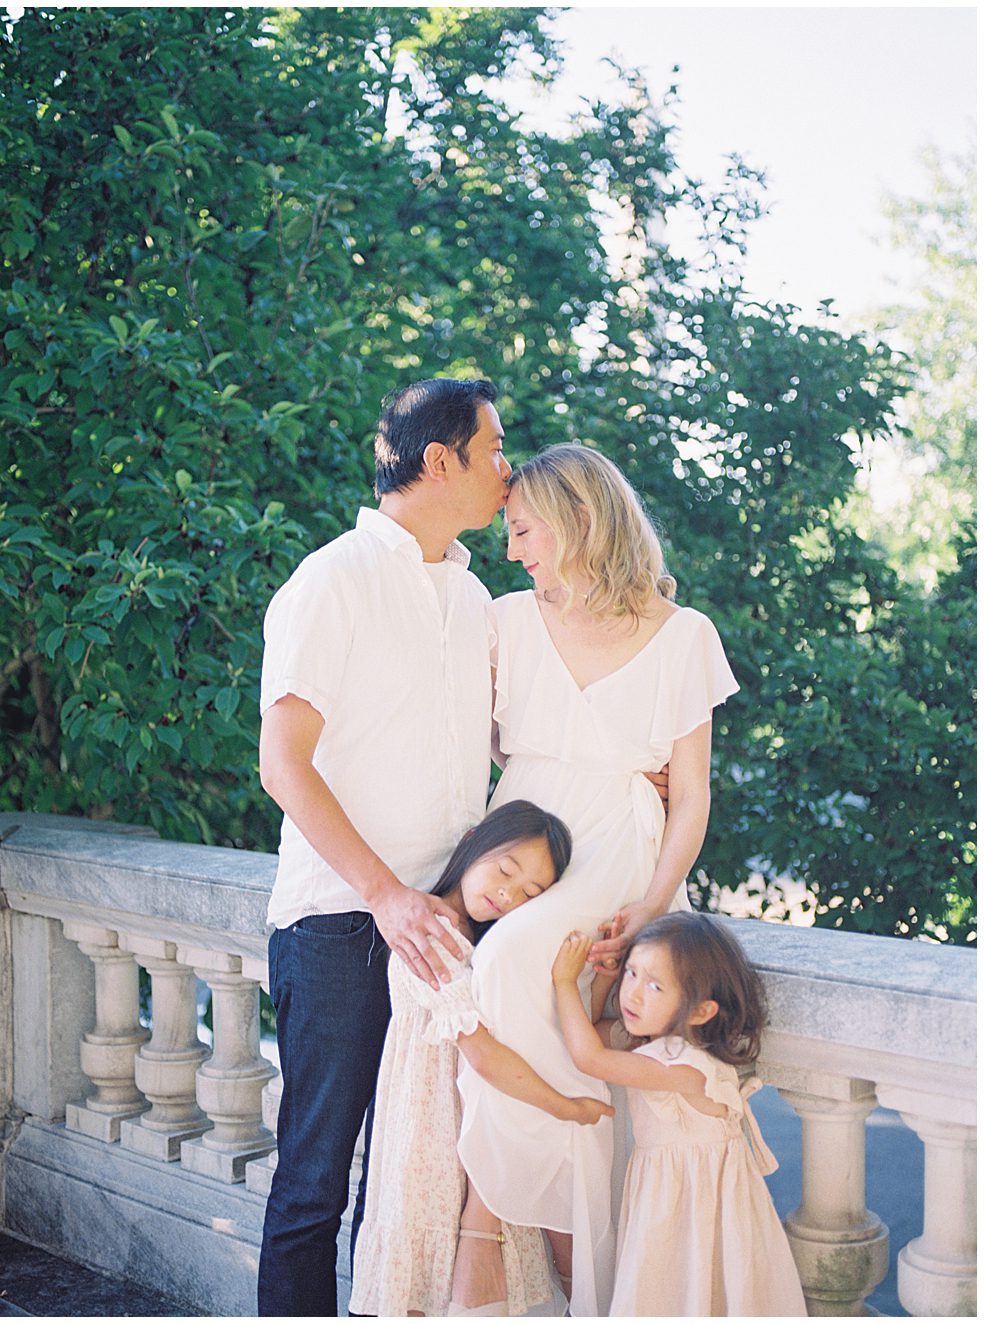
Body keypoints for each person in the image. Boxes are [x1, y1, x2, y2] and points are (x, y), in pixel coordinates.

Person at [455, 444, 739, 1316]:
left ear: (581, 521)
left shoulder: (684, 635)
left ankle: (515, 1247)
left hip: (623, 853)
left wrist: (649, 908)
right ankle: (528, 1238)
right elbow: (490, 746)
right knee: (505, 970)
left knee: (528, 975)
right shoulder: (505, 619)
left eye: (525, 529)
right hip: (532, 837)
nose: (513, 550)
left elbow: (689, 799)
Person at [256, 378, 511, 1317]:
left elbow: (512, 743)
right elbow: (283, 764)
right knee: (314, 1186)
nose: (507, 472)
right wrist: (383, 896)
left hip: (446, 930)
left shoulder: (479, 596)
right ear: (438, 461)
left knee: (407, 1193)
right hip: (339, 924)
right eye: (494, 450)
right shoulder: (331, 580)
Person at [349, 800, 614, 1319]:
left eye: (528, 894)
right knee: (426, 1280)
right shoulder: (428, 930)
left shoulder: (488, 947)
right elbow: (481, 1052)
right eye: (505, 870)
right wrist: (563, 1106)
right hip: (430, 1127)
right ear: (473, 841)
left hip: (473, 1120)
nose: (506, 894)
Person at [552, 914, 807, 1317]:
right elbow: (594, 1030)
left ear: (701, 1011)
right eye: (632, 973)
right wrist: (604, 979)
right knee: (668, 1287)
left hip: (696, 1205)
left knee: (691, 1288)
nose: (633, 995)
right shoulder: (650, 1040)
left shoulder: (686, 1066)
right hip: (671, 1195)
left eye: (654, 985)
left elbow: (588, 1056)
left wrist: (565, 982)